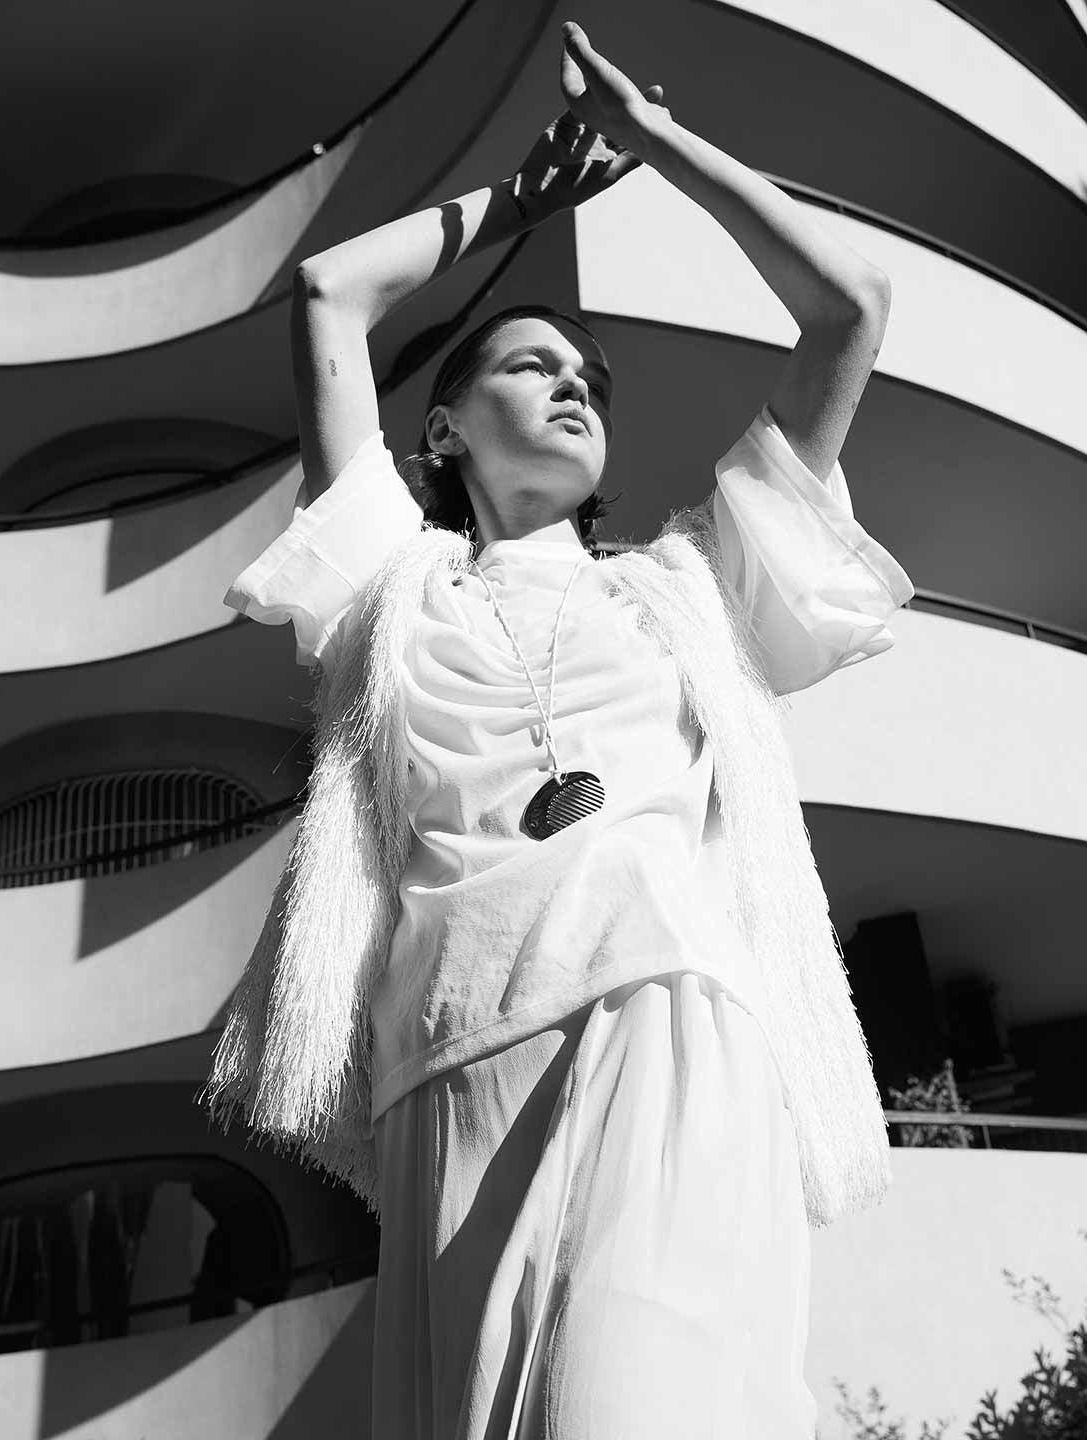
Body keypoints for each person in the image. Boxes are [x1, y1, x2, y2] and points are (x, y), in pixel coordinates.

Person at [214, 21, 913, 1438]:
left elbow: (850, 308)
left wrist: (658, 145)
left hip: (667, 1016)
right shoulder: (388, 590)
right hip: (454, 1061)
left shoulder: (691, 585)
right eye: (532, 366)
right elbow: (331, 293)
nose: (575, 383)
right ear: (444, 434)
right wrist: (515, 206)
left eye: (588, 374)